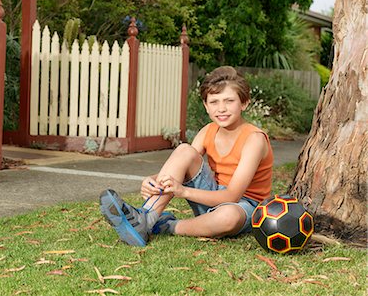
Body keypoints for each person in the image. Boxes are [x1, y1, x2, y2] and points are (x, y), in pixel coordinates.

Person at [99, 66, 273, 247]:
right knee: (185, 150)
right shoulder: (208, 131)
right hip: (211, 194)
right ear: (206, 106)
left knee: (228, 216)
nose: (221, 108)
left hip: (243, 206)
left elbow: (232, 196)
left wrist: (183, 191)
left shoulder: (254, 139)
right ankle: (147, 216)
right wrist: (151, 180)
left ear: (244, 103)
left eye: (229, 101)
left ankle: (166, 226)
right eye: (214, 102)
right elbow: (181, 164)